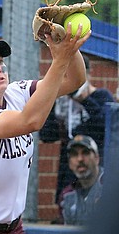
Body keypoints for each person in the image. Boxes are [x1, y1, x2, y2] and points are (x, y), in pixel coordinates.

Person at [0, 22, 91, 234]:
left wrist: (67, 46)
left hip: (13, 226)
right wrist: (60, 60)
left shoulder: (16, 92)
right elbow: (30, 121)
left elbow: (75, 80)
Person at [39, 54, 115, 205]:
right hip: (70, 170)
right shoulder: (62, 102)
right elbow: (46, 135)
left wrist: (84, 100)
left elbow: (108, 127)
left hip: (97, 166)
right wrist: (53, 102)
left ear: (87, 74)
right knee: (67, 205)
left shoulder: (101, 96)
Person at [57, 135, 103, 226]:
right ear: (70, 163)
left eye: (85, 153)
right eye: (74, 154)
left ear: (97, 158)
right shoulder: (66, 196)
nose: (80, 159)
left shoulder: (112, 186)